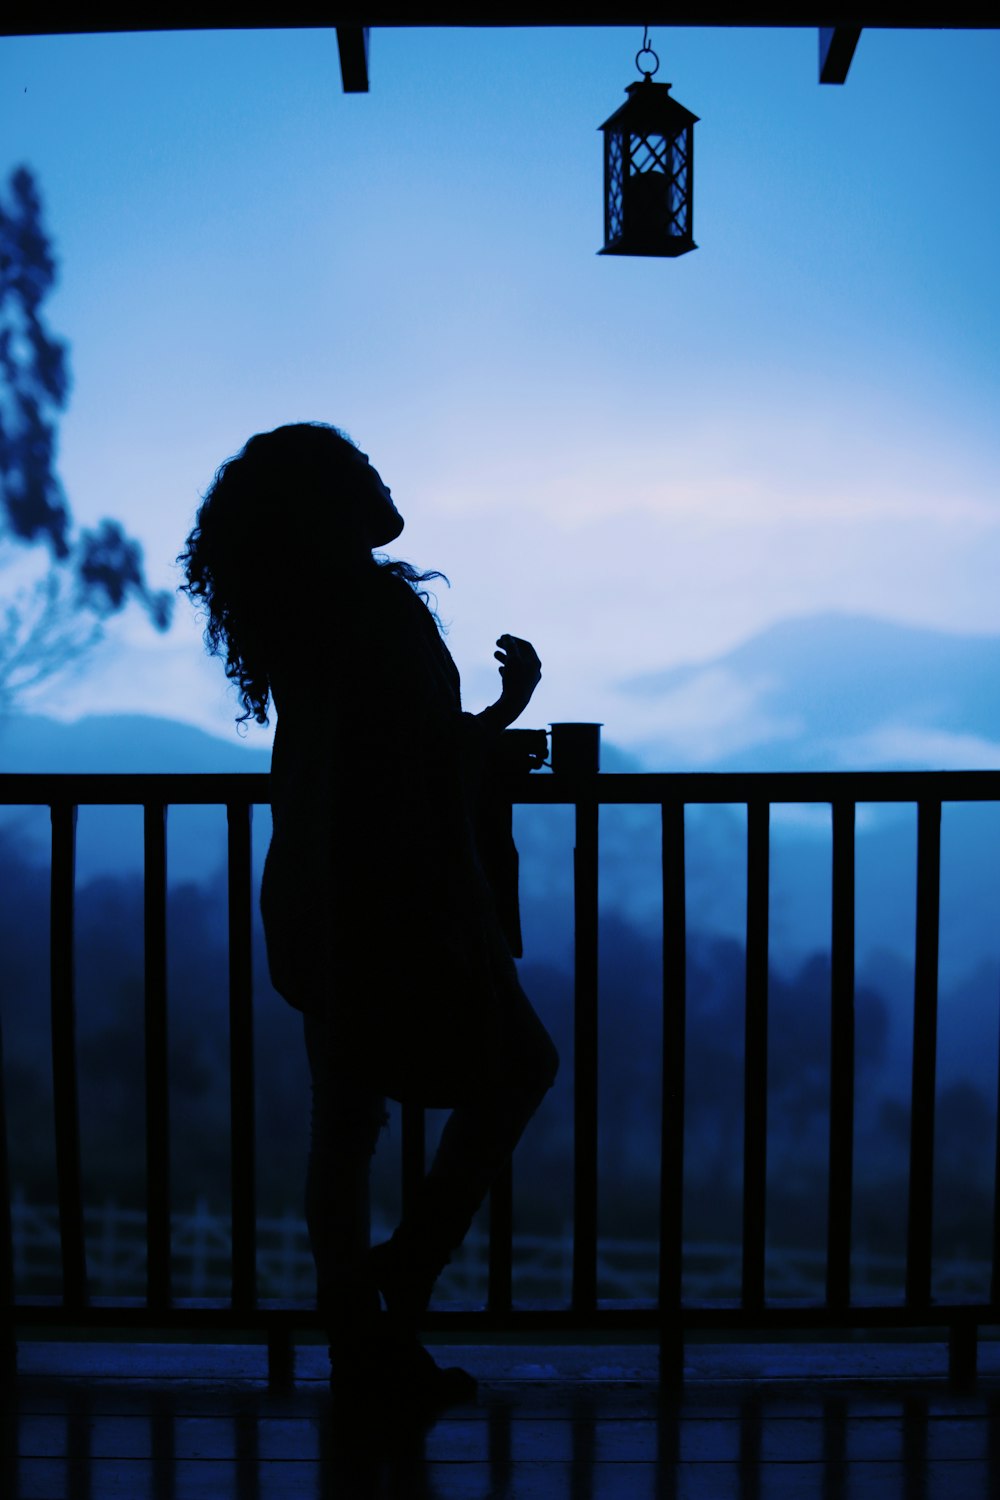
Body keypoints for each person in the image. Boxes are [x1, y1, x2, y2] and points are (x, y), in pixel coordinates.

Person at [179, 421, 559, 1410]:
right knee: (518, 1067)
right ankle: (399, 1281)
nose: (380, 482)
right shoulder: (367, 614)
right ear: (335, 504)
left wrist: (485, 729)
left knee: (344, 1130)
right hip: (401, 902)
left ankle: (367, 1343)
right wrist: (503, 722)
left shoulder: (312, 618)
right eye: (361, 474)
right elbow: (418, 764)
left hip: (325, 897)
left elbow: (388, 756)